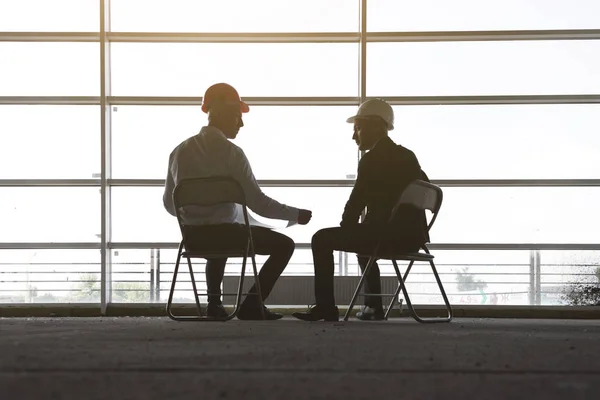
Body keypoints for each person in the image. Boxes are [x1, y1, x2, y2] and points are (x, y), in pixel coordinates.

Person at [163, 83, 312, 320]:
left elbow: (171, 206)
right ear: (223, 114)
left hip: (193, 238)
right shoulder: (233, 153)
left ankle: (214, 305)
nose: (241, 124)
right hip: (229, 235)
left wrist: (200, 214)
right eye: (237, 117)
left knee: (216, 234)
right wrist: (296, 215)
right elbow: (259, 203)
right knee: (285, 245)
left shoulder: (178, 152)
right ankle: (252, 304)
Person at [293, 99, 429, 322]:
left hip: (387, 237)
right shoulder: (408, 156)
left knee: (321, 239)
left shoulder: (372, 159)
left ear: (374, 125)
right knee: (364, 236)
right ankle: (373, 306)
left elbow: (355, 204)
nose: (354, 136)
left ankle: (326, 307)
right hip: (413, 238)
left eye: (357, 128)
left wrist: (346, 230)